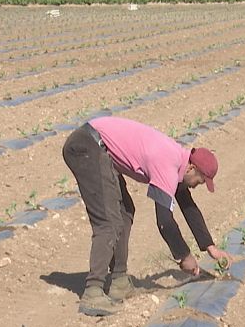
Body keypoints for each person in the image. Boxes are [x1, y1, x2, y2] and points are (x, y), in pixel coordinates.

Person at [62, 116, 232, 316]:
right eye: (200, 181)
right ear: (192, 168)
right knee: (108, 221)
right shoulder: (167, 163)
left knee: (125, 212)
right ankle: (93, 292)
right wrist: (184, 256)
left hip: (99, 149)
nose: (197, 185)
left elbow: (187, 205)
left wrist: (210, 248)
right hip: (86, 146)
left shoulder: (179, 163)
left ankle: (119, 281)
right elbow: (164, 221)